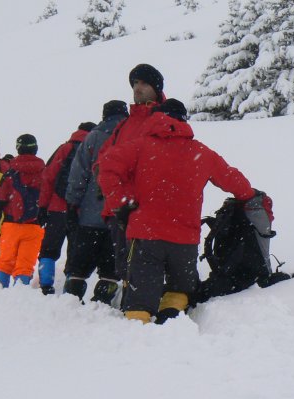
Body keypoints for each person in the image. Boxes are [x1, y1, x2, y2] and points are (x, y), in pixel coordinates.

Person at [98, 99, 258, 325]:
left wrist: (121, 202)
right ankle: (170, 320)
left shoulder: (139, 146)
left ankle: (138, 332)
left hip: (146, 235)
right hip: (184, 239)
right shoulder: (200, 152)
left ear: (157, 118)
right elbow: (233, 179)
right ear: (184, 120)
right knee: (180, 289)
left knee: (141, 296)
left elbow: (107, 166)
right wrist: (249, 196)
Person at [96, 63, 169, 303]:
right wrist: (109, 188)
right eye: (135, 83)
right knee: (124, 260)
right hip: (120, 207)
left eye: (143, 83)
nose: (137, 88)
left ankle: (143, 305)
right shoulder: (126, 123)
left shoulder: (162, 118)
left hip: (148, 206)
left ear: (156, 89)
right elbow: (102, 159)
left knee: (146, 260)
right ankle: (132, 305)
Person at [63, 100, 129, 304]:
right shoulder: (130, 137)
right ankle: (103, 298)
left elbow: (78, 174)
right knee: (111, 265)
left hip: (89, 215)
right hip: (118, 214)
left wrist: (73, 202)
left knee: (79, 264)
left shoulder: (92, 138)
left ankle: (72, 297)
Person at [35, 122, 95, 295]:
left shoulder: (65, 148)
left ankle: (46, 284)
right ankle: (71, 283)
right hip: (81, 211)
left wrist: (43, 206)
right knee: (75, 249)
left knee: (49, 248)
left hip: (57, 208)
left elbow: (48, 177)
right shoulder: (95, 149)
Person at [0, 134, 46, 288]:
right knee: (25, 265)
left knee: (5, 262)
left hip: (11, 225)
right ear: (36, 149)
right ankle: (20, 293)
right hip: (34, 225)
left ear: (18, 149)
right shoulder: (44, 173)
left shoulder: (10, 173)